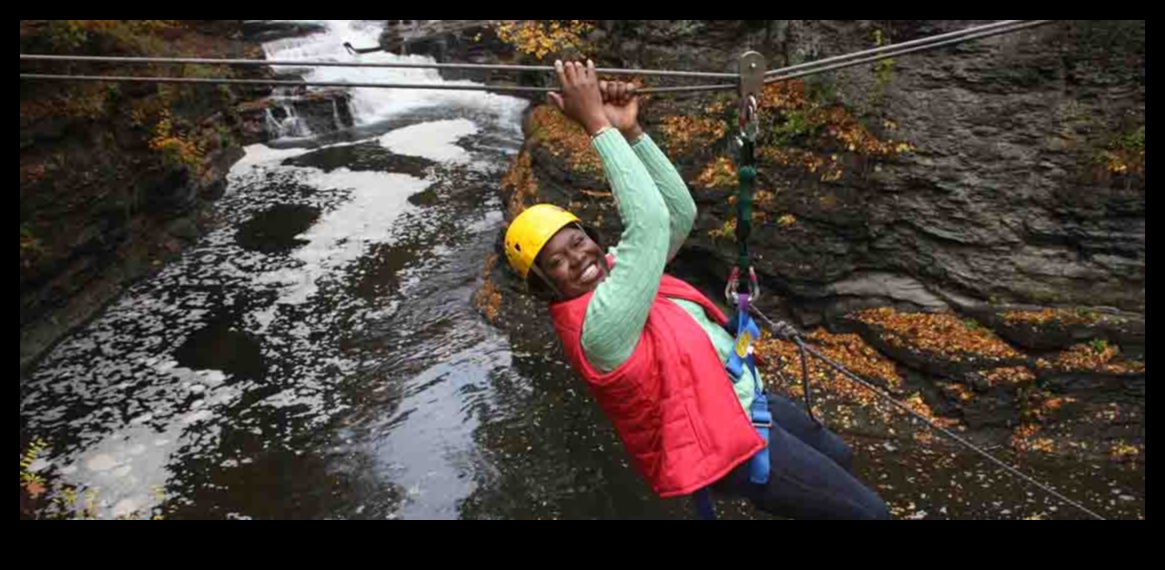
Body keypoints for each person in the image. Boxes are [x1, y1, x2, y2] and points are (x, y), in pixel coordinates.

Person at [503, 60, 890, 519]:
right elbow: (649, 223)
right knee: (870, 514)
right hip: (731, 441)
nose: (578, 260)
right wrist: (596, 125)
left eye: (576, 241)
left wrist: (632, 133)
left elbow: (677, 214)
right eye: (556, 264)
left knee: (840, 459)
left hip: (740, 400)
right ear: (546, 287)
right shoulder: (599, 328)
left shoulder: (619, 276)